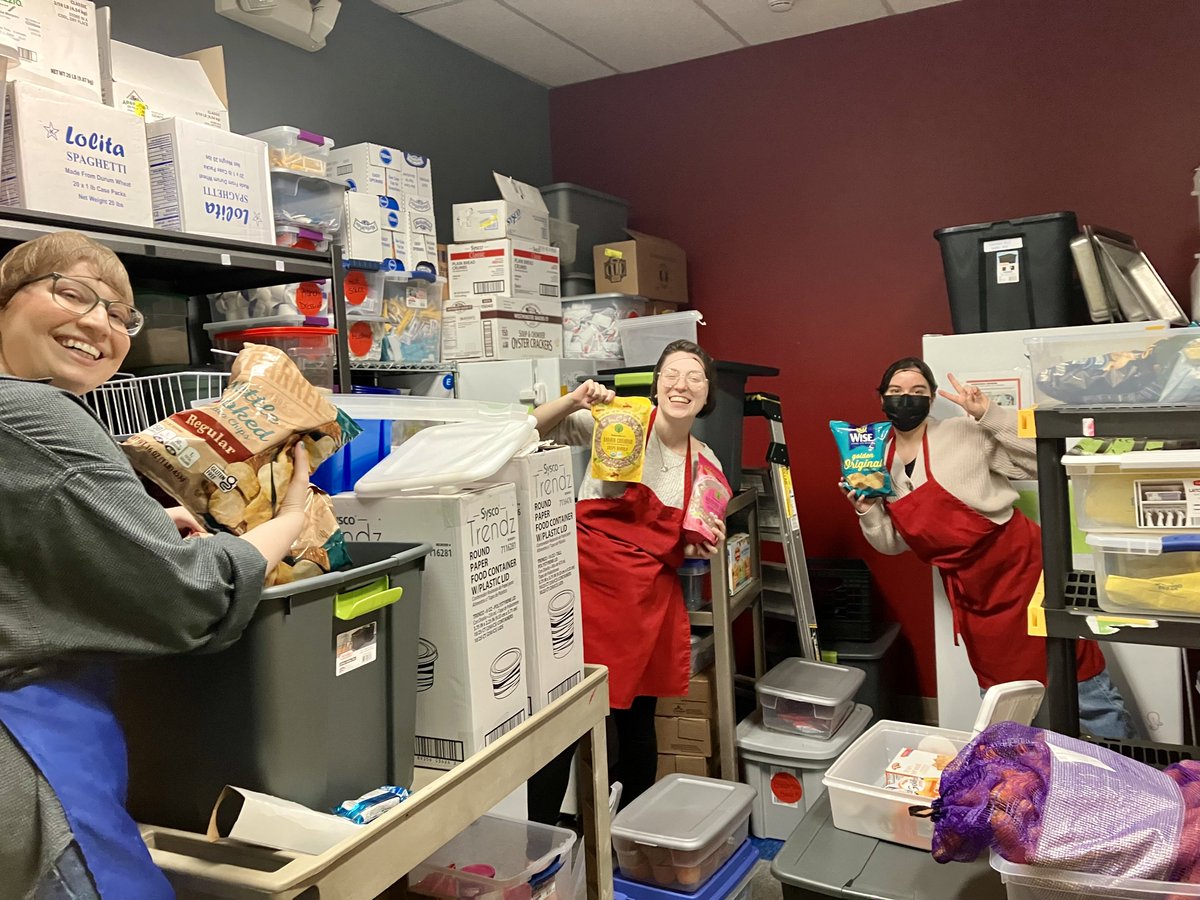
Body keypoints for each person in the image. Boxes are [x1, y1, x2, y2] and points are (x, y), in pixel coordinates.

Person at [0, 232, 311, 899]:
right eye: (72, 293)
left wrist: (136, 530)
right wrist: (290, 520)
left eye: (120, 316)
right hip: (30, 760)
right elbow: (187, 594)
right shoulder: (36, 412)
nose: (98, 324)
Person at [841, 357, 1134, 739]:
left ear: (931, 400)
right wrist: (867, 512)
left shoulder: (964, 431)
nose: (906, 400)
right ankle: (1022, 775)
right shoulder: (874, 459)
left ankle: (1131, 768)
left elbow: (1044, 460)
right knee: (1002, 693)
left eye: (917, 392)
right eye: (896, 392)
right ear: (881, 400)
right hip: (972, 592)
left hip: (1021, 569)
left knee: (1077, 676)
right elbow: (893, 543)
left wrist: (989, 414)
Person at [530, 339, 726, 814]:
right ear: (656, 385)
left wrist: (702, 545)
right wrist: (576, 399)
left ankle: (629, 837)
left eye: (694, 377)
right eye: (671, 374)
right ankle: (542, 847)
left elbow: (702, 542)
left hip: (645, 603)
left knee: (637, 723)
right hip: (582, 591)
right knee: (565, 720)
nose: (681, 384)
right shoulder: (621, 422)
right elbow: (530, 427)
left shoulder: (708, 466)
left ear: (706, 396)